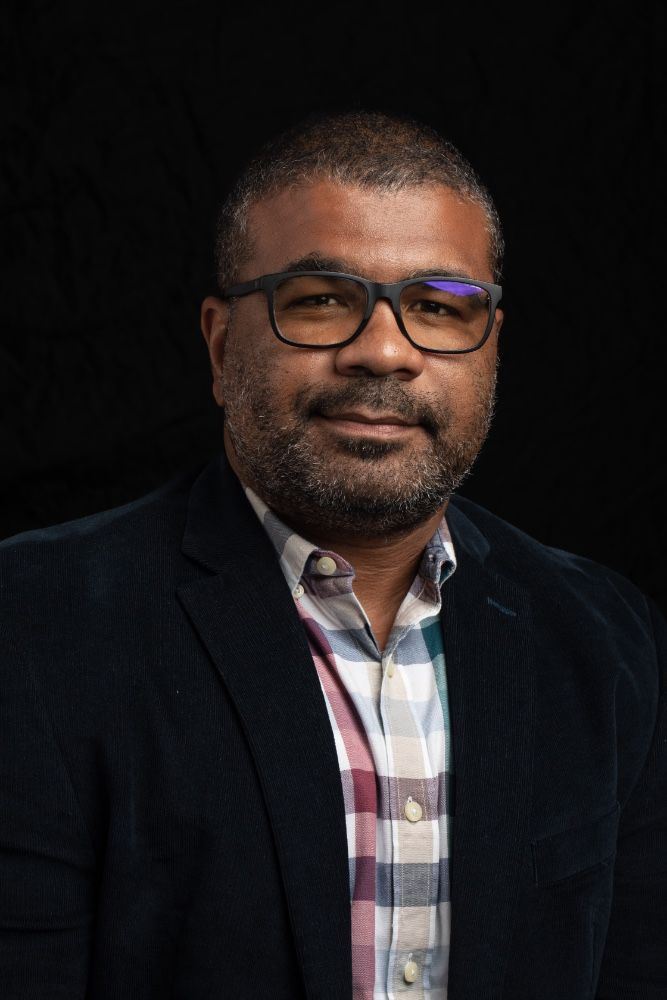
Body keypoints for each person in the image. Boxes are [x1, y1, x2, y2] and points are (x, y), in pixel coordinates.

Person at [0, 111, 665, 1000]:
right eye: (319, 299)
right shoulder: (32, 625)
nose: (383, 352)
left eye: (437, 307)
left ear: (491, 349)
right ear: (221, 342)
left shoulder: (607, 636)